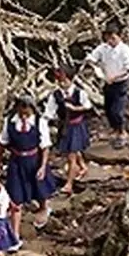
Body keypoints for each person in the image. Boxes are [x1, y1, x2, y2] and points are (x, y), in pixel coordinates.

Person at [0, 93, 57, 236]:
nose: (24, 115)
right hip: (16, 160)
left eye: (27, 112)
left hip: (33, 159)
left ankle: (44, 207)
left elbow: (45, 147)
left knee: (39, 187)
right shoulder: (10, 122)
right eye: (21, 111)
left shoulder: (38, 122)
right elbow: (3, 143)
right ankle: (15, 233)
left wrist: (42, 166)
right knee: (15, 195)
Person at [84, 22, 129, 148]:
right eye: (108, 38)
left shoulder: (125, 50)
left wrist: (115, 77)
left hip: (121, 82)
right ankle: (115, 129)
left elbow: (128, 69)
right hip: (107, 82)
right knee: (108, 109)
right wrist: (93, 65)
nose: (110, 41)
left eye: (113, 38)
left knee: (117, 110)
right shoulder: (103, 48)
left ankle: (122, 132)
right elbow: (92, 57)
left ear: (119, 37)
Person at [43, 67, 92, 195]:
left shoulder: (79, 93)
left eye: (64, 81)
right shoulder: (55, 95)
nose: (62, 83)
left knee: (71, 156)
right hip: (64, 126)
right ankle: (83, 166)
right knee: (71, 151)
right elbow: (49, 112)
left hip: (77, 126)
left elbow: (87, 106)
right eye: (59, 81)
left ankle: (69, 184)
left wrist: (75, 108)